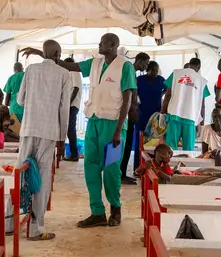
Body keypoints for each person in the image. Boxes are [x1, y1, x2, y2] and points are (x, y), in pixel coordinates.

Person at [24, 33, 136, 228]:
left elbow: (128, 99)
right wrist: (43, 55)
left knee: (111, 169)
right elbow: (69, 66)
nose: (99, 44)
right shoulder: (95, 63)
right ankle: (97, 212)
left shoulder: (125, 66)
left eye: (102, 42)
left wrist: (119, 130)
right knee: (90, 167)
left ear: (112, 46)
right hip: (93, 122)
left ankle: (115, 209)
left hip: (113, 126)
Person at [16, 40, 72, 241]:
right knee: (42, 178)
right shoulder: (64, 74)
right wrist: (62, 137)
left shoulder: (30, 70)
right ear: (57, 54)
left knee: (20, 174)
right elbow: (64, 109)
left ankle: (9, 223)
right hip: (48, 131)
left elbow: (19, 100)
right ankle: (36, 228)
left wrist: (34, 103)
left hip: (28, 128)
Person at [162, 58, 210, 153]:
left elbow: (168, 95)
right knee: (188, 150)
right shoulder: (202, 81)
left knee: (170, 149)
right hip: (190, 118)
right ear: (199, 67)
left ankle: (170, 163)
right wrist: (201, 123)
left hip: (174, 115)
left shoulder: (176, 74)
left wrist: (163, 112)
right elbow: (202, 105)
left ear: (189, 64)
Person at [121, 52, 152, 185]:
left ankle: (122, 173)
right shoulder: (129, 72)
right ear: (139, 61)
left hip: (131, 112)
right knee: (126, 144)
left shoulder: (133, 74)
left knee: (128, 144)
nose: (146, 66)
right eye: (145, 63)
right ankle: (121, 174)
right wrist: (133, 110)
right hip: (128, 114)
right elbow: (130, 94)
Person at [133, 60, 167, 173]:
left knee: (154, 142)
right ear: (148, 70)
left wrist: (161, 95)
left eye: (157, 71)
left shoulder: (161, 80)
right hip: (142, 114)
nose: (155, 73)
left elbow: (167, 90)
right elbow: (134, 92)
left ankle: (153, 167)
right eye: (153, 71)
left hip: (155, 116)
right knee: (140, 142)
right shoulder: (139, 80)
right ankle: (138, 167)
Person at [63, 57, 82, 162]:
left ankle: (74, 155)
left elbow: (76, 88)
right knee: (69, 129)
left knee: (71, 129)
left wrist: (68, 103)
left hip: (72, 105)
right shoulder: (71, 73)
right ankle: (73, 154)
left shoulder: (74, 72)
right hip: (71, 105)